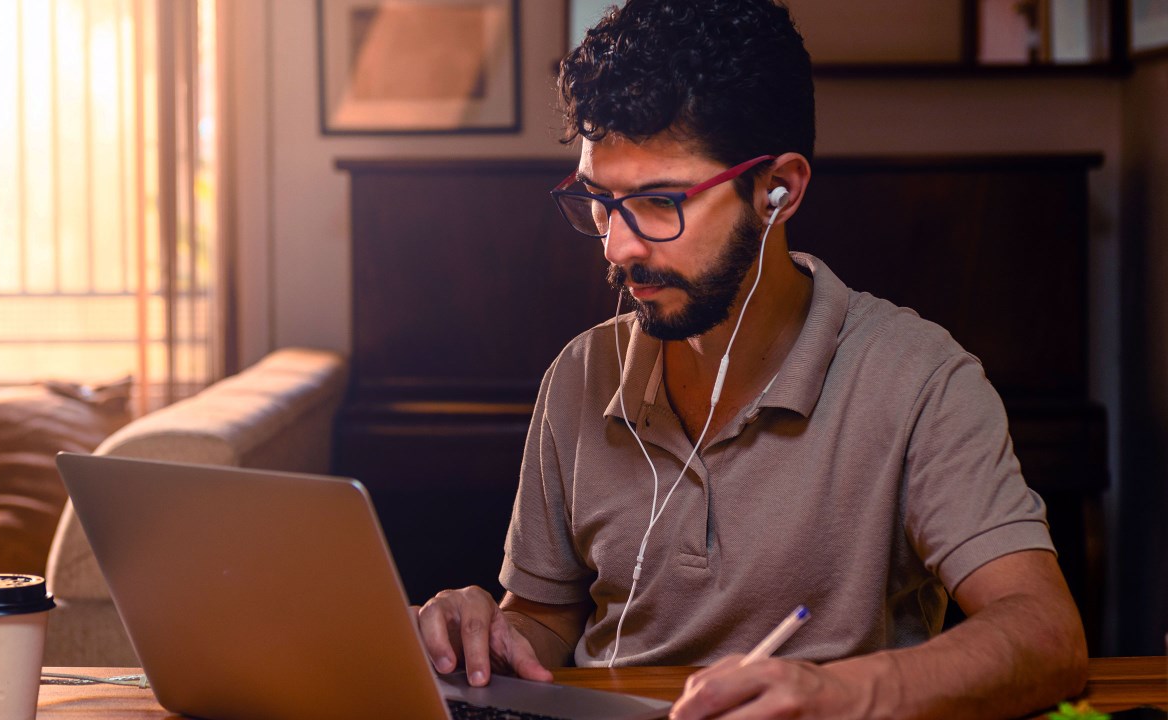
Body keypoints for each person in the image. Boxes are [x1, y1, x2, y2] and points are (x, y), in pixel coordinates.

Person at [414, 1, 1089, 717]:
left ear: (779, 190)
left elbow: (1046, 633)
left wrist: (839, 692)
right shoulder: (579, 373)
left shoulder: (921, 378)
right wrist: (488, 632)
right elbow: (546, 620)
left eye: (660, 201)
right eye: (600, 200)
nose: (617, 247)